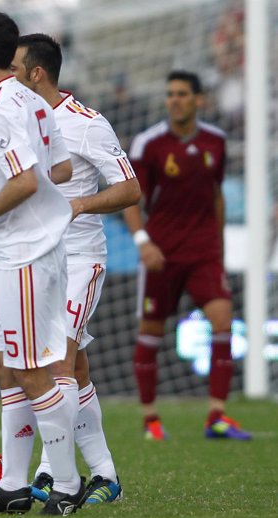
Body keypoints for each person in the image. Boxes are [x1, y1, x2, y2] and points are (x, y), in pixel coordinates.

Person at [0, 11, 83, 516]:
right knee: (8, 368)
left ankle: (68, 484)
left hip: (24, 253)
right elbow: (61, 167)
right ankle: (12, 484)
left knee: (32, 371)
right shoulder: (32, 100)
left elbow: (28, 182)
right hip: (28, 250)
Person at [10, 33, 141, 505]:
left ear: (36, 72)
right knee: (74, 368)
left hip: (80, 260)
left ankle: (50, 471)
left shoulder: (87, 124)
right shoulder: (18, 114)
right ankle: (105, 473)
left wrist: (80, 203)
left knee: (56, 362)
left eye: (15, 66)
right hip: (35, 260)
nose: (8, 74)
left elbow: (130, 189)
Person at [122, 70, 251, 441]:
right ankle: (151, 419)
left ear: (199, 100)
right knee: (151, 331)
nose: (175, 99)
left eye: (182, 94)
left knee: (223, 319)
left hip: (203, 251)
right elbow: (132, 198)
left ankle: (217, 416)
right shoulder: (150, 143)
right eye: (170, 94)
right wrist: (144, 242)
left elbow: (216, 195)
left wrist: (219, 249)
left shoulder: (217, 141)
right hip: (161, 253)